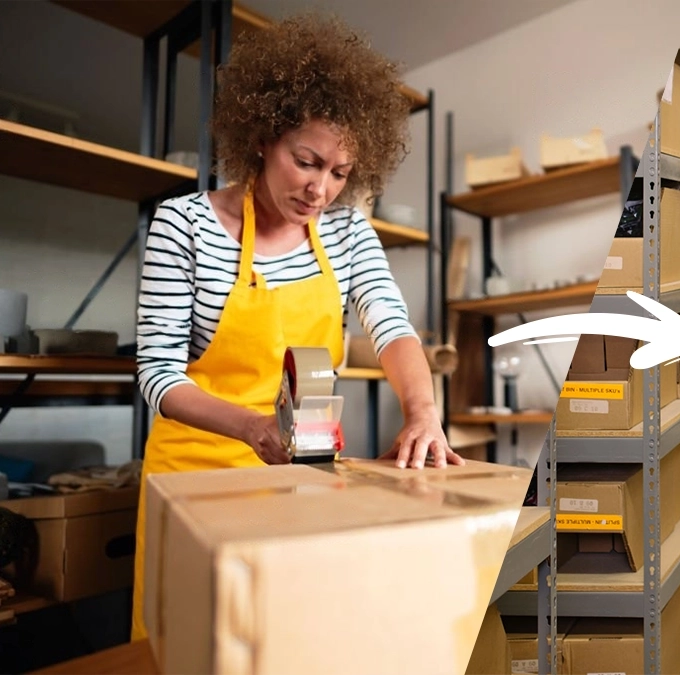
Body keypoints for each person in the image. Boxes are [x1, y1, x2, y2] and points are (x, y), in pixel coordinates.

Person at [129, 13, 463, 641]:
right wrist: (252, 427)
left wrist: (422, 412)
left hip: (299, 478)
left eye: (339, 173)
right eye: (305, 161)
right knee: (187, 642)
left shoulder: (346, 231)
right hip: (195, 479)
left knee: (290, 640)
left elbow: (391, 325)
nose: (319, 190)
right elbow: (157, 374)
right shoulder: (185, 224)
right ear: (262, 137)